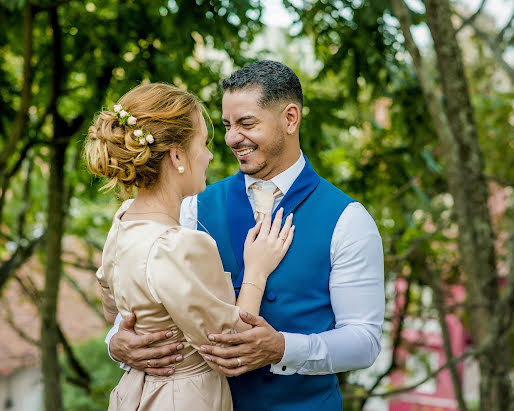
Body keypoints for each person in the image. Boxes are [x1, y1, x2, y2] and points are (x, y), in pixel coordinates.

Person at [107, 60, 385, 410]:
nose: (232, 138)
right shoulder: (192, 207)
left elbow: (364, 340)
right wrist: (115, 342)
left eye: (246, 123)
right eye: (226, 125)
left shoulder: (348, 220)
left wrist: (283, 348)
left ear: (290, 118)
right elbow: (144, 306)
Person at [85, 82, 294, 410]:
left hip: (136, 396)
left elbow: (114, 306)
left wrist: (123, 340)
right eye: (203, 143)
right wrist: (256, 269)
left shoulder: (124, 221)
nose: (210, 155)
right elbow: (231, 348)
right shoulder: (179, 245)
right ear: (177, 155)